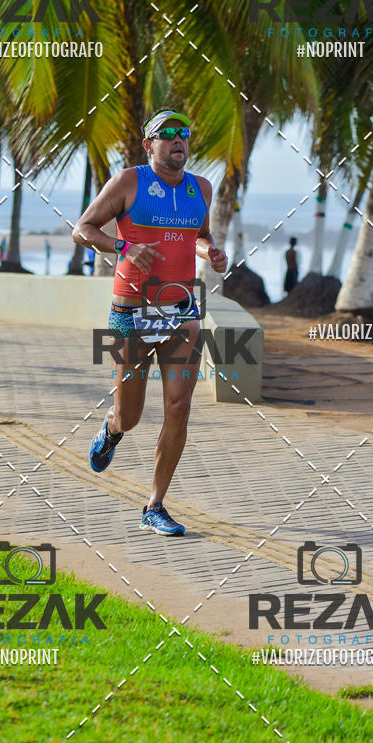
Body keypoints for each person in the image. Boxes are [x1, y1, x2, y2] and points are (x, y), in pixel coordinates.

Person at [73, 108, 227, 536]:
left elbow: (199, 235)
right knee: (131, 415)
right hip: (131, 313)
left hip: (181, 311)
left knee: (179, 407)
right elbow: (82, 229)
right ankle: (112, 429)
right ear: (148, 144)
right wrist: (124, 247)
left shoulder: (201, 188)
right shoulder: (129, 182)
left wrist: (211, 252)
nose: (179, 139)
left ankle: (154, 504)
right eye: (168, 133)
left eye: (184, 132)